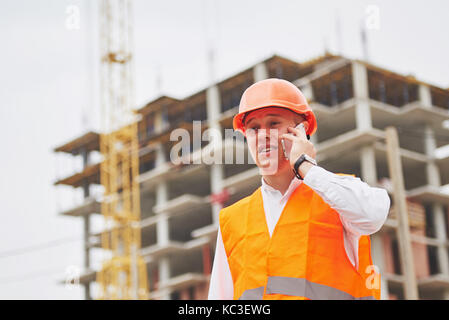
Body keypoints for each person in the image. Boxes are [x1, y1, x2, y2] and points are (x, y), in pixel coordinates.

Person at [208, 78, 390, 300]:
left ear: (301, 131)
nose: (263, 134)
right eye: (254, 128)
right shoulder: (232, 220)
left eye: (273, 123)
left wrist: (306, 167)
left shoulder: (335, 197)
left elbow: (373, 215)